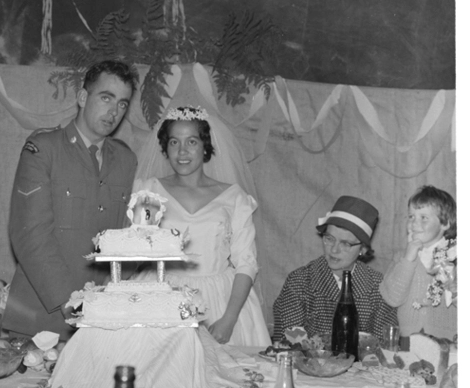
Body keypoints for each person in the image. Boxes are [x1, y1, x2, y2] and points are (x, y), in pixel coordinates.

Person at [3, 60, 138, 339]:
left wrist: (109, 301)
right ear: (82, 97)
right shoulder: (43, 149)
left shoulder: (126, 160)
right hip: (43, 319)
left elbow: (122, 238)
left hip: (102, 321)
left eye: (123, 104)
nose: (114, 112)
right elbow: (30, 235)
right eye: (106, 98)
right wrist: (70, 302)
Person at [133, 105, 270, 346]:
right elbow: (137, 250)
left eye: (192, 142)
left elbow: (246, 263)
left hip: (220, 302)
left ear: (205, 145)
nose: (182, 151)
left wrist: (228, 319)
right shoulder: (150, 191)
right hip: (162, 297)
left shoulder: (234, 198)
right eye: (174, 142)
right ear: (165, 147)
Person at [272, 195, 397, 341]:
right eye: (329, 239)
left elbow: (384, 345)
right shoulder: (300, 282)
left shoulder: (379, 287)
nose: (334, 250)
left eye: (345, 243)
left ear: (362, 249)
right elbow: (287, 344)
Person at [379, 186, 457, 340]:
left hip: (448, 341)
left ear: (445, 223)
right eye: (411, 216)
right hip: (408, 340)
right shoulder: (402, 258)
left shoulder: (456, 258)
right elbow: (393, 299)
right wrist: (409, 259)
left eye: (423, 218)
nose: (414, 223)